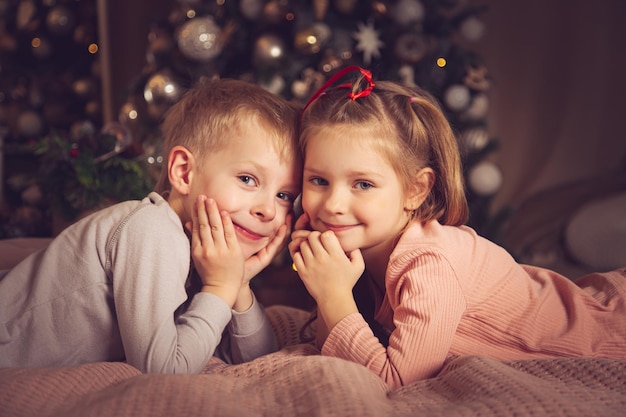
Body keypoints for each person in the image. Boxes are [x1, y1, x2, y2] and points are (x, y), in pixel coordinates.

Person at [288, 66, 626, 389]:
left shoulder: (429, 262)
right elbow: (331, 352)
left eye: (362, 184)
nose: (332, 204)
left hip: (609, 331)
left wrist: (334, 295)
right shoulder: (365, 254)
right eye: (319, 180)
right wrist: (326, 290)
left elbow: (397, 381)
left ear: (415, 190)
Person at [0, 78, 302, 374]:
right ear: (184, 173)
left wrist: (238, 285)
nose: (267, 209)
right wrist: (219, 289)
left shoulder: (205, 259)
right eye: (247, 179)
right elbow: (164, 370)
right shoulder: (153, 230)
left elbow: (260, 361)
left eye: (284, 195)